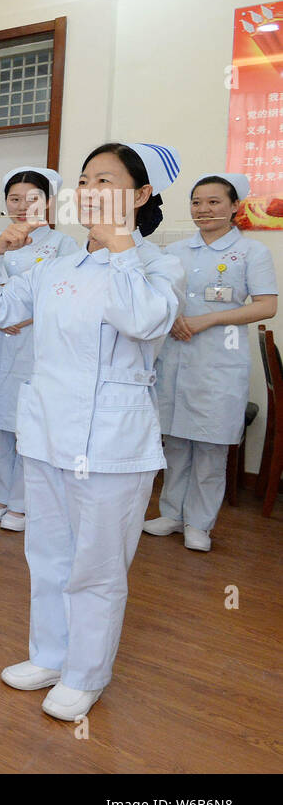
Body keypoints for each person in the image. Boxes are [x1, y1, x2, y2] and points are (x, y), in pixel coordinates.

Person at [0, 141, 186, 721]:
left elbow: (142, 320)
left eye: (106, 181)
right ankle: (50, 655)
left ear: (139, 196)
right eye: (85, 181)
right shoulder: (55, 266)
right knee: (48, 554)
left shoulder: (158, 265)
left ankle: (87, 674)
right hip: (47, 433)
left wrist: (119, 248)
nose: (89, 192)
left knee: (98, 566)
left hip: (113, 443)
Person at [147, 172, 277, 551]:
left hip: (219, 364)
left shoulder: (252, 253)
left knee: (210, 447)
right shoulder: (175, 253)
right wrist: (172, 320)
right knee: (175, 442)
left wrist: (209, 319)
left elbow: (266, 305)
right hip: (175, 359)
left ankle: (200, 524)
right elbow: (160, 298)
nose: (203, 210)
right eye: (196, 202)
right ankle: (171, 513)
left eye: (214, 202)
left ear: (235, 206)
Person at [0, 167, 78, 533]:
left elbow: (66, 297)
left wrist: (26, 318)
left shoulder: (64, 246)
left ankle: (22, 502)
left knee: (28, 426)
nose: (22, 206)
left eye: (32, 198)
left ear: (49, 203)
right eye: (14, 198)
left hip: (36, 345)